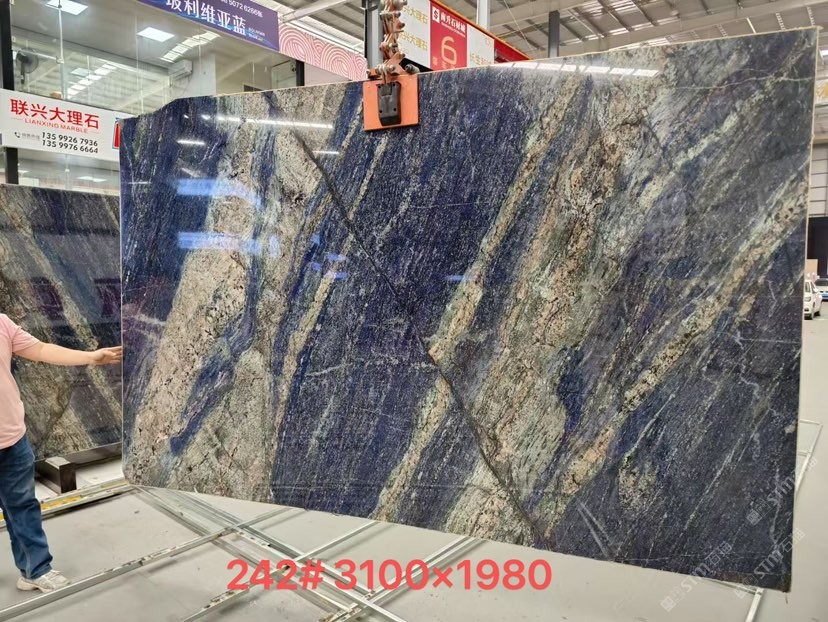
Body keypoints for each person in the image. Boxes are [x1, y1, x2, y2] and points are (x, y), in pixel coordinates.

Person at [0, 312, 122, 593]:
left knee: (23, 507)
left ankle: (35, 570)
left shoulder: (2, 323)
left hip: (12, 440)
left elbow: (42, 349)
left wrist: (90, 357)